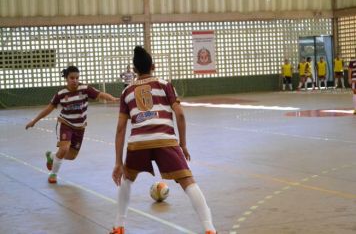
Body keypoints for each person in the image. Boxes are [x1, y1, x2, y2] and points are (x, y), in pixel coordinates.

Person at [111, 46, 217, 234]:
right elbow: (180, 115)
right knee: (188, 181)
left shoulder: (126, 92)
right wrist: (183, 145)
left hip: (138, 142)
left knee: (127, 179)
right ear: (154, 66)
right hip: (165, 140)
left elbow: (120, 129)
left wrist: (118, 162)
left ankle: (119, 226)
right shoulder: (164, 84)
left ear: (134, 71)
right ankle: (209, 228)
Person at [25, 66, 118, 184]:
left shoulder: (85, 89)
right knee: (64, 148)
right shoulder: (61, 94)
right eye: (72, 78)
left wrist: (112, 98)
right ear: (66, 79)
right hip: (65, 123)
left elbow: (100, 94)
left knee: (71, 156)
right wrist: (34, 121)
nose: (75, 80)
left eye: (77, 78)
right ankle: (53, 174)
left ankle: (52, 156)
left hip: (80, 127)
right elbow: (49, 109)